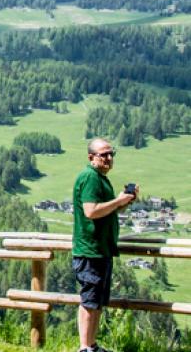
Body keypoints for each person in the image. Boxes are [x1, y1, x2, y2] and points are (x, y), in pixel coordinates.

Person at [72, 137, 136, 352]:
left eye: (111, 154)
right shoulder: (90, 178)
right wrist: (118, 201)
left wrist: (122, 202)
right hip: (91, 251)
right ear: (91, 158)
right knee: (90, 301)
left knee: (96, 301)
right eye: (104, 155)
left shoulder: (99, 178)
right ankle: (85, 348)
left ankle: (91, 345)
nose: (109, 158)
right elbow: (91, 211)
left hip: (100, 250)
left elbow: (104, 211)